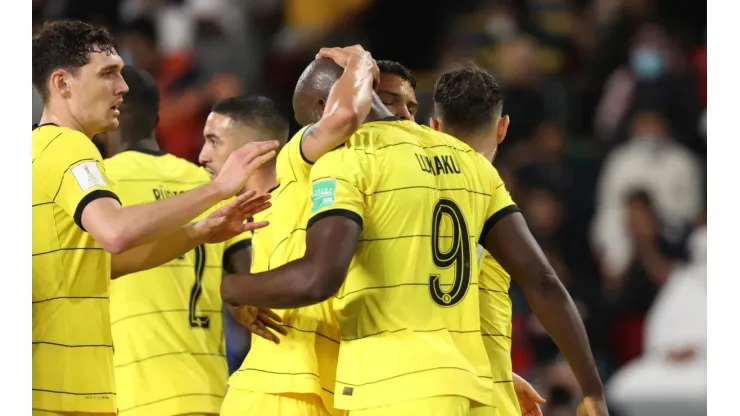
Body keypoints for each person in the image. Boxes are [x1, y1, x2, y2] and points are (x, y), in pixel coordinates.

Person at [222, 46, 608, 415]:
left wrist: (226, 288)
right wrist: (590, 389)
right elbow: (541, 280)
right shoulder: (468, 162)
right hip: (463, 385)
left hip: (386, 386)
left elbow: (318, 278)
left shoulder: (351, 158)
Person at [31, 21, 277, 416]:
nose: (123, 87)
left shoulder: (44, 151)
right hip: (59, 389)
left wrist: (198, 232)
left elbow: (107, 263)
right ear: (62, 84)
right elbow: (115, 232)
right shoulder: (66, 146)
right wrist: (216, 189)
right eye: (108, 73)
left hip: (65, 387)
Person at [430, 63, 607, 416]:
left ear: (434, 127)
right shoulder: (486, 190)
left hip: (409, 383)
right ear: (502, 128)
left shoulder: (403, 191)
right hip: (469, 395)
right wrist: (592, 390)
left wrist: (499, 372)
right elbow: (542, 282)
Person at [100, 67, 275, 416]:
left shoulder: (100, 186)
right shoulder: (204, 182)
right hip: (209, 389)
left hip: (133, 390)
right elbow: (246, 282)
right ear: (157, 116)